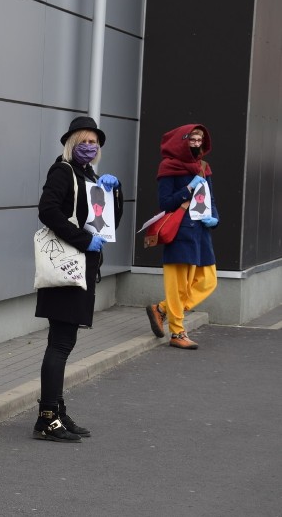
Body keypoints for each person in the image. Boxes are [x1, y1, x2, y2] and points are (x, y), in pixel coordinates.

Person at [33, 116, 123, 442]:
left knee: (62, 342)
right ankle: (47, 417)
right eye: (83, 141)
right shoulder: (63, 171)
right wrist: (84, 240)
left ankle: (55, 410)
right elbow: (47, 210)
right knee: (60, 343)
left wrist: (114, 192)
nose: (90, 147)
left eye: (94, 142)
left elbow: (107, 223)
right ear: (72, 143)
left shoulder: (90, 176)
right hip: (67, 268)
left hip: (81, 269)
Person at [145, 124, 218, 350]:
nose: (197, 143)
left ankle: (162, 309)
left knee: (208, 280)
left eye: (200, 140)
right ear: (182, 141)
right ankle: (177, 332)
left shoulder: (203, 167)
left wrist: (215, 217)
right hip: (180, 232)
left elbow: (210, 199)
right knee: (178, 286)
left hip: (201, 232)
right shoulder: (168, 166)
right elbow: (165, 203)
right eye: (192, 139)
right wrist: (188, 188)